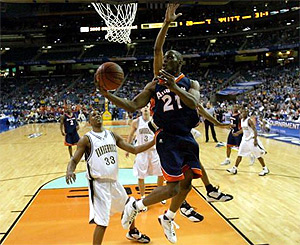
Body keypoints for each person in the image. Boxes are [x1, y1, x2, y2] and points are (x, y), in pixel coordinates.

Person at [98, 4, 232, 243]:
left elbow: (194, 104)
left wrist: (175, 88)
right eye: (165, 57)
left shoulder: (192, 83)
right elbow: (132, 105)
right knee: (172, 188)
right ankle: (136, 206)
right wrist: (109, 96)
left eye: (172, 56)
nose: (166, 57)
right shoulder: (155, 82)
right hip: (167, 136)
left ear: (179, 63)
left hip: (186, 136)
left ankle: (168, 217)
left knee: (188, 182)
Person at [65, 109, 152, 244]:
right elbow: (74, 160)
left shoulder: (112, 135)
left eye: (98, 113)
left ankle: (132, 232)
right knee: (102, 222)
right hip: (98, 185)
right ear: (89, 122)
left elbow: (134, 149)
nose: (97, 114)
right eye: (93, 114)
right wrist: (70, 170)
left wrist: (154, 142)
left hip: (114, 182)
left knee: (130, 206)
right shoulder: (86, 139)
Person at [125, 104, 165, 210]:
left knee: (161, 174)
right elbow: (130, 135)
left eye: (148, 106)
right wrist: (128, 149)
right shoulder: (136, 122)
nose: (146, 108)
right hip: (141, 152)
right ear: (141, 109)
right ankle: (143, 198)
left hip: (154, 151)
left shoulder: (156, 120)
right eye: (144, 106)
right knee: (141, 176)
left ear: (150, 108)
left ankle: (160, 195)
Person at [226, 108, 270, 176]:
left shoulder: (249, 120)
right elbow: (244, 129)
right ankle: (234, 168)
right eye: (243, 112)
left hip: (251, 139)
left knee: (258, 155)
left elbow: (255, 130)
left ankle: (265, 169)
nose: (243, 113)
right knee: (239, 154)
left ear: (247, 113)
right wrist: (237, 133)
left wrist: (255, 140)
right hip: (245, 139)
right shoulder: (242, 120)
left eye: (245, 112)